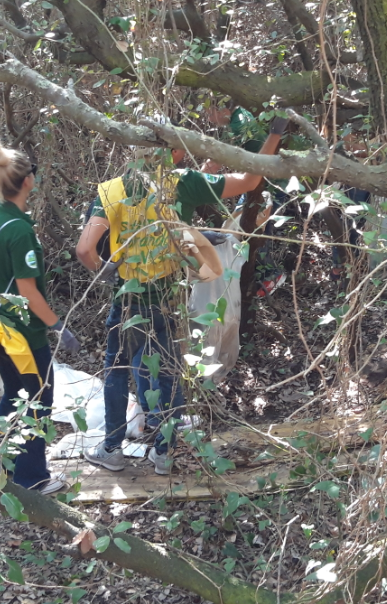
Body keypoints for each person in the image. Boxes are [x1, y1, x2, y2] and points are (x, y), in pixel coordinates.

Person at [75, 121, 285, 475]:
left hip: (129, 298)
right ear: (170, 153)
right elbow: (251, 181)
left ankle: (111, 449)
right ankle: (164, 453)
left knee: (118, 369)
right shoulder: (182, 183)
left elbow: (83, 249)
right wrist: (275, 134)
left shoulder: (112, 189)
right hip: (169, 296)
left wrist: (107, 269)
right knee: (169, 368)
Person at [0, 139, 78, 495]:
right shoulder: (19, 231)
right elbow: (28, 292)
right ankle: (32, 478)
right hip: (21, 332)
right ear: (27, 181)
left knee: (15, 395)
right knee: (37, 400)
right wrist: (57, 325)